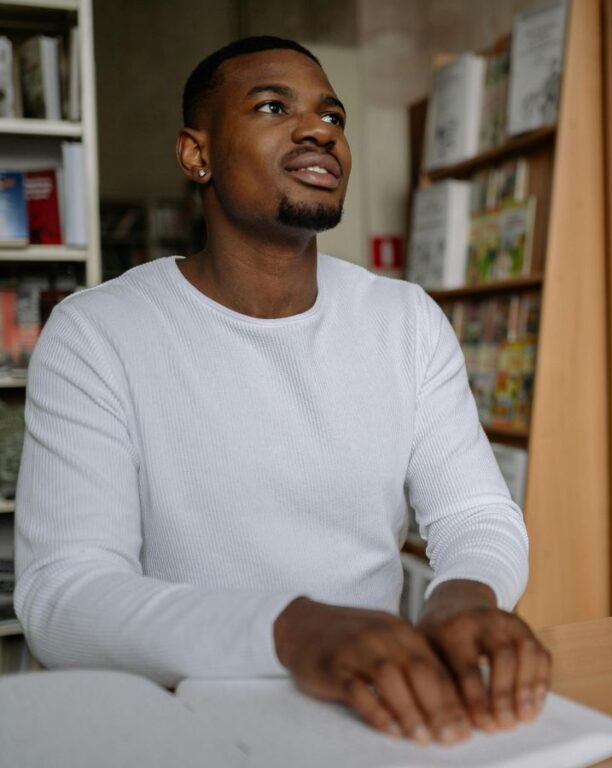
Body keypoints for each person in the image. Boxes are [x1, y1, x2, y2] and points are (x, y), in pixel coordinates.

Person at [14, 37, 548, 747]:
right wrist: (291, 630)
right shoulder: (97, 333)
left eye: (335, 116)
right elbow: (65, 597)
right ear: (194, 154)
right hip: (175, 729)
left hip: (372, 716)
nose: (319, 129)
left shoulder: (405, 319)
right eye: (273, 106)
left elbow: (476, 513)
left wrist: (463, 598)